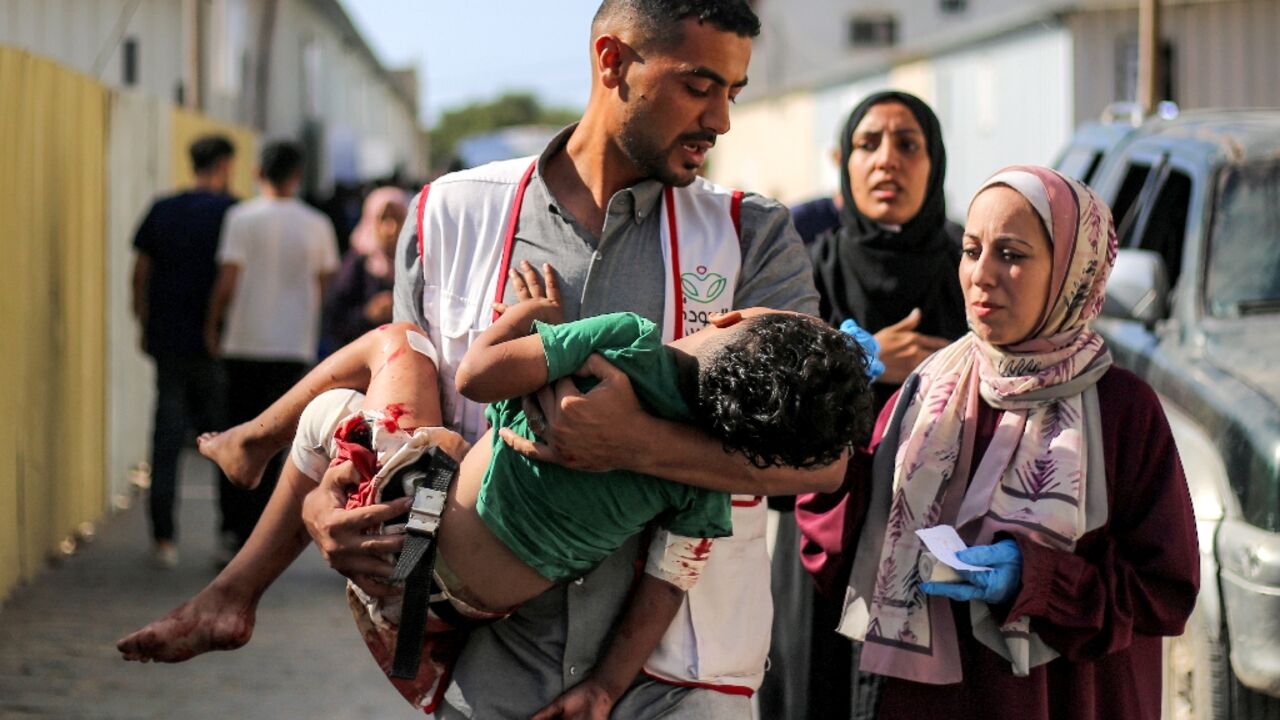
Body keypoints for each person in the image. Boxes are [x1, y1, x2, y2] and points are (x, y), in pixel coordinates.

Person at [120, 2, 840, 718]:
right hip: (486, 672)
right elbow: (392, 419)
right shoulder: (448, 216)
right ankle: (237, 577)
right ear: (612, 61)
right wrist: (326, 504)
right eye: (698, 85)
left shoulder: (753, 235)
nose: (720, 120)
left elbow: (822, 460)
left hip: (683, 679)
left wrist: (634, 443)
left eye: (733, 93)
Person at [795, 165, 1199, 719]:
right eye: (970, 249)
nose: (981, 275)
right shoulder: (924, 392)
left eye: (1011, 253)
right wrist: (829, 406)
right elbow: (833, 549)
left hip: (1064, 699)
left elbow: (1163, 591)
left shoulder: (1121, 410)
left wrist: (1037, 579)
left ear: (1071, 271)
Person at [762, 90, 971, 719]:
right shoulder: (808, 271)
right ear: (843, 164)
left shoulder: (971, 268)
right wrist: (864, 360)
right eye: (868, 143)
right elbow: (773, 412)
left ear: (934, 163)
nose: (888, 161)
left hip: (945, 546)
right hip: (823, 541)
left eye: (909, 144)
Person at [205, 140, 339, 557]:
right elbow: (324, 284)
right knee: (278, 445)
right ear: (297, 176)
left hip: (243, 342)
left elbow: (228, 277)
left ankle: (232, 527)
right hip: (291, 347)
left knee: (234, 435)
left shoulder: (240, 218)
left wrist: (212, 323)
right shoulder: (317, 224)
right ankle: (261, 536)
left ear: (257, 173)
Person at [130, 135, 237, 568]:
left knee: (166, 437)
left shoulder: (162, 209)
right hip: (218, 345)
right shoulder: (234, 212)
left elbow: (139, 274)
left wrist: (143, 323)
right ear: (225, 165)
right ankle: (228, 535)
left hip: (168, 340)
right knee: (227, 439)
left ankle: (163, 538)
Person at [320, 186, 407, 350]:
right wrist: (368, 314)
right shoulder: (357, 263)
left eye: (398, 218)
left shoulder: (416, 264)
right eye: (383, 219)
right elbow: (335, 319)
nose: (391, 228)